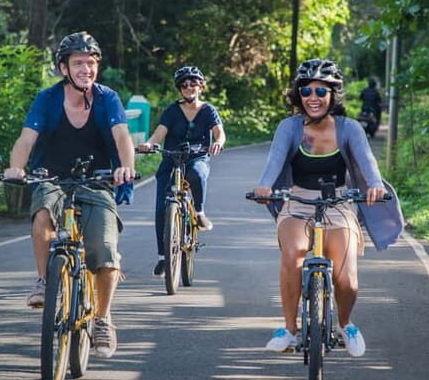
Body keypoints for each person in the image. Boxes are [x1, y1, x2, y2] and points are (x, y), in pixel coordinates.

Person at [253, 59, 403, 357]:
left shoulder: (350, 129)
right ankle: (290, 329)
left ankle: (345, 325)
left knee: (346, 279)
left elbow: (367, 161)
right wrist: (265, 186)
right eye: (306, 90)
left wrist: (374, 184)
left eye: (321, 92)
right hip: (298, 201)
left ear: (333, 95)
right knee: (293, 253)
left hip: (339, 202)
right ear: (299, 94)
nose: (313, 97)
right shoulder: (289, 127)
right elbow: (274, 161)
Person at [3, 31, 136, 358]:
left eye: (91, 63)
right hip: (52, 178)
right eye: (78, 63)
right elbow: (25, 140)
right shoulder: (47, 99)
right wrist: (17, 168)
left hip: (98, 181)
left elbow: (122, 136)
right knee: (43, 219)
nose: (86, 69)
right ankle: (43, 281)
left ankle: (103, 318)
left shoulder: (107, 99)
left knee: (105, 252)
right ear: (64, 68)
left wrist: (126, 167)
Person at [137, 66, 226, 277]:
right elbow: (159, 134)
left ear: (201, 86)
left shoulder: (208, 110)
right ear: (180, 89)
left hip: (197, 156)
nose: (189, 87)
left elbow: (219, 133)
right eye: (184, 85)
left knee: (196, 174)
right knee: (161, 208)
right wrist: (149, 145)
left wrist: (218, 143)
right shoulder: (172, 111)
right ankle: (163, 257)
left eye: (193, 83)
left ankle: (200, 212)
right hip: (172, 158)